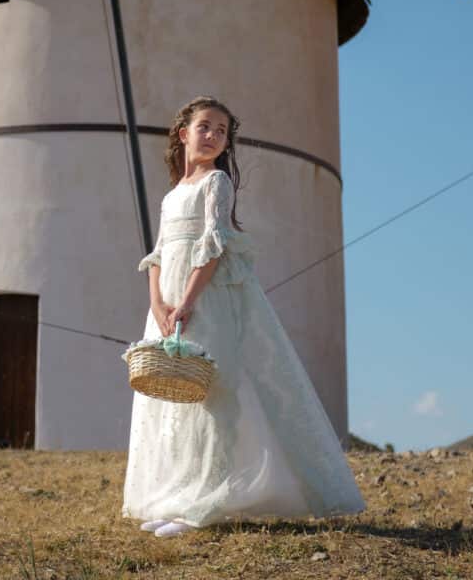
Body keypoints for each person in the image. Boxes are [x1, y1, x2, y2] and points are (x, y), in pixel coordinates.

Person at [122, 96, 366, 538]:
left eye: (221, 130)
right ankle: (173, 495)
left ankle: (203, 502)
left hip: (205, 296)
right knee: (174, 394)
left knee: (211, 390)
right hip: (168, 301)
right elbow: (158, 254)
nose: (213, 135)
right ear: (184, 134)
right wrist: (157, 303)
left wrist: (189, 301)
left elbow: (213, 246)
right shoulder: (172, 194)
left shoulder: (216, 183)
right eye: (205, 127)